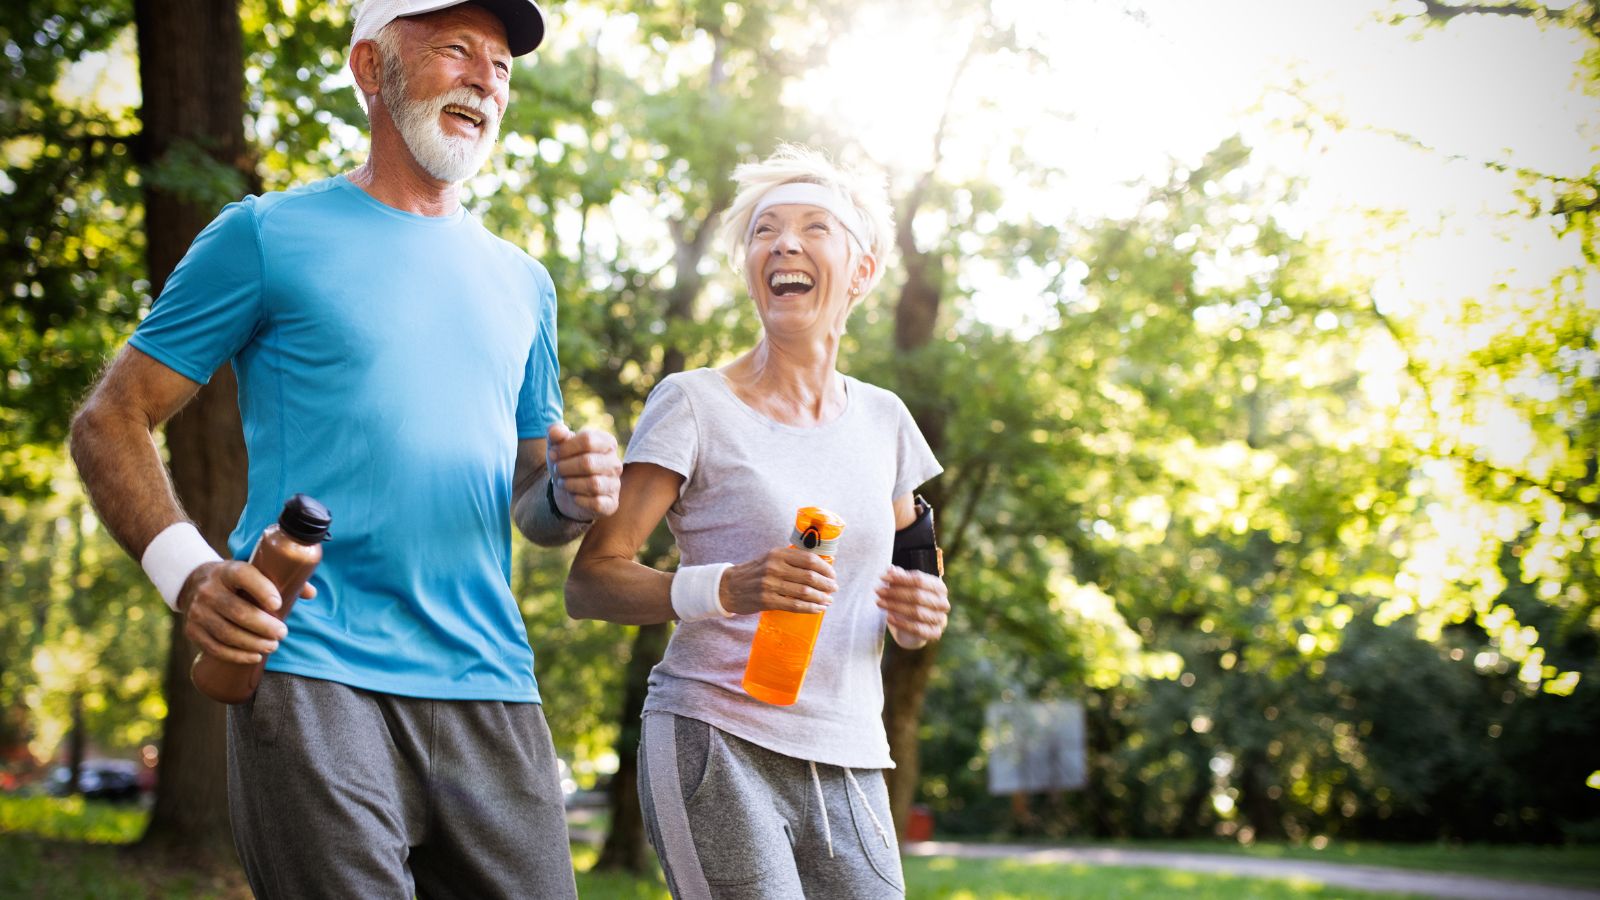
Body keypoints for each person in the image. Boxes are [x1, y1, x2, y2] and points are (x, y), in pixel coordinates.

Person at [68, 2, 621, 897]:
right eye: (456, 50)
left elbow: (530, 500)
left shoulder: (525, 283)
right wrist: (191, 573)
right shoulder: (265, 234)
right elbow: (110, 418)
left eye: (501, 66)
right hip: (313, 668)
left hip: (490, 681)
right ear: (371, 68)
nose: (486, 77)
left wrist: (567, 492)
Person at [565, 144, 951, 899]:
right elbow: (592, 581)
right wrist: (729, 588)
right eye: (765, 231)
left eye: (814, 227)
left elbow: (917, 568)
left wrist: (922, 613)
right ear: (751, 269)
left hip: (851, 753)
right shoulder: (692, 403)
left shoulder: (887, 421)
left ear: (862, 272)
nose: (783, 244)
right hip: (715, 738)